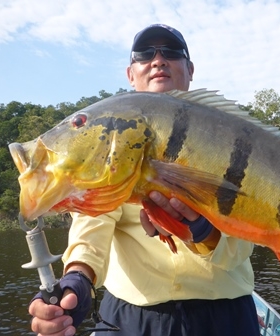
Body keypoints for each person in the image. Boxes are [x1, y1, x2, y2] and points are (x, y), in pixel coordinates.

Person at [28, 23, 259, 336]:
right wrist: (77, 282)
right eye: (145, 53)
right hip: (131, 317)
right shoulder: (108, 142)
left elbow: (245, 241)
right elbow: (91, 230)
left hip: (225, 313)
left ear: (190, 70)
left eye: (172, 52)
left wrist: (203, 231)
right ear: (130, 73)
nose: (158, 59)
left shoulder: (228, 138)